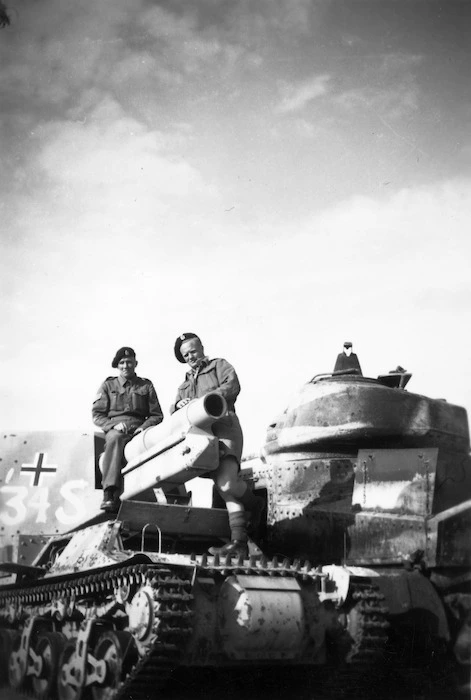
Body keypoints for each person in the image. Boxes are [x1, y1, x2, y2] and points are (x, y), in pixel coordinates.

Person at [171, 332, 263, 557]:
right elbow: (174, 414)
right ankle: (239, 542)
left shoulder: (219, 365)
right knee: (224, 487)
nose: (191, 356)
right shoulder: (184, 385)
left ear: (202, 347)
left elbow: (232, 386)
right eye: (186, 355)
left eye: (193, 351)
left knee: (229, 485)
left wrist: (202, 401)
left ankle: (258, 506)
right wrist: (178, 405)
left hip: (225, 427)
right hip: (203, 438)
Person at [92, 346, 163, 511]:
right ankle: (109, 492)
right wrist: (113, 425)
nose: (126, 366)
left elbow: (157, 415)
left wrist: (144, 428)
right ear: (117, 366)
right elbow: (97, 415)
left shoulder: (146, 385)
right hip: (117, 428)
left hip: (140, 428)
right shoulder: (108, 385)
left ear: (135, 363)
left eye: (129, 362)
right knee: (115, 439)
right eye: (122, 363)